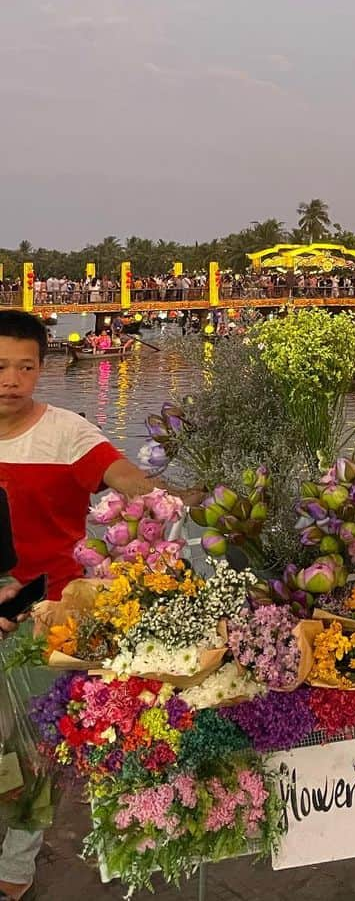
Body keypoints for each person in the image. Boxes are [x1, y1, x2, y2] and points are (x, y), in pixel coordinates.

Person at [0, 310, 169, 899]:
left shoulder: (67, 431)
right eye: (0, 365)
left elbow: (120, 474)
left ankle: (15, 867)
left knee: (32, 746)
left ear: (41, 370)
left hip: (49, 613)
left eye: (25, 367)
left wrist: (165, 494)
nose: (11, 379)